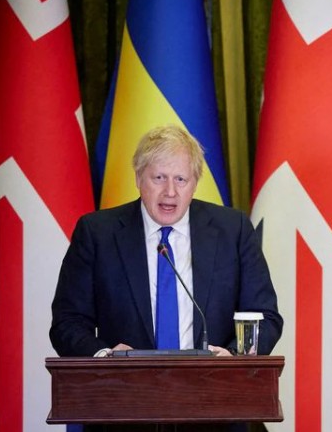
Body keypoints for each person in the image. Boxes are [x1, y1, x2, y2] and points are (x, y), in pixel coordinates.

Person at [50, 124, 282, 356]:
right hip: (124, 387)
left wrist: (232, 357)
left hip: (214, 386)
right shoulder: (97, 234)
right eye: (159, 178)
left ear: (195, 183)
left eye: (181, 179)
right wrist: (105, 356)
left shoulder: (233, 231)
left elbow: (265, 317)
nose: (170, 191)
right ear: (139, 178)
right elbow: (68, 322)